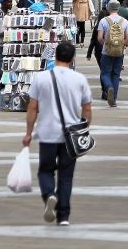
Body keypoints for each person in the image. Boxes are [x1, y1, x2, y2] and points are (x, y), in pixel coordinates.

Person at [23, 41, 92, 226]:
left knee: (45, 171)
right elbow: (87, 109)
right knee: (66, 175)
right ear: (73, 58)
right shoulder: (79, 79)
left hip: (47, 133)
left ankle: (49, 195)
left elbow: (32, 108)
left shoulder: (41, 78)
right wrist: (84, 130)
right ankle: (63, 216)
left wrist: (28, 133)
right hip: (71, 136)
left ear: (55, 57)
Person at [97, 0, 128, 107]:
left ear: (108, 8)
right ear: (118, 8)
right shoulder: (124, 21)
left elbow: (99, 38)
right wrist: (122, 45)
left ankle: (108, 87)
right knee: (116, 75)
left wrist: (106, 45)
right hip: (119, 52)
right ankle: (114, 99)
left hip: (106, 51)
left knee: (105, 73)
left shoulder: (103, 21)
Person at [86, 7, 109, 101]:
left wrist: (89, 54)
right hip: (109, 49)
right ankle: (108, 88)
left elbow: (93, 41)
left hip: (98, 51)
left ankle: (104, 90)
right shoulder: (109, 25)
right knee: (107, 70)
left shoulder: (97, 27)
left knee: (103, 70)